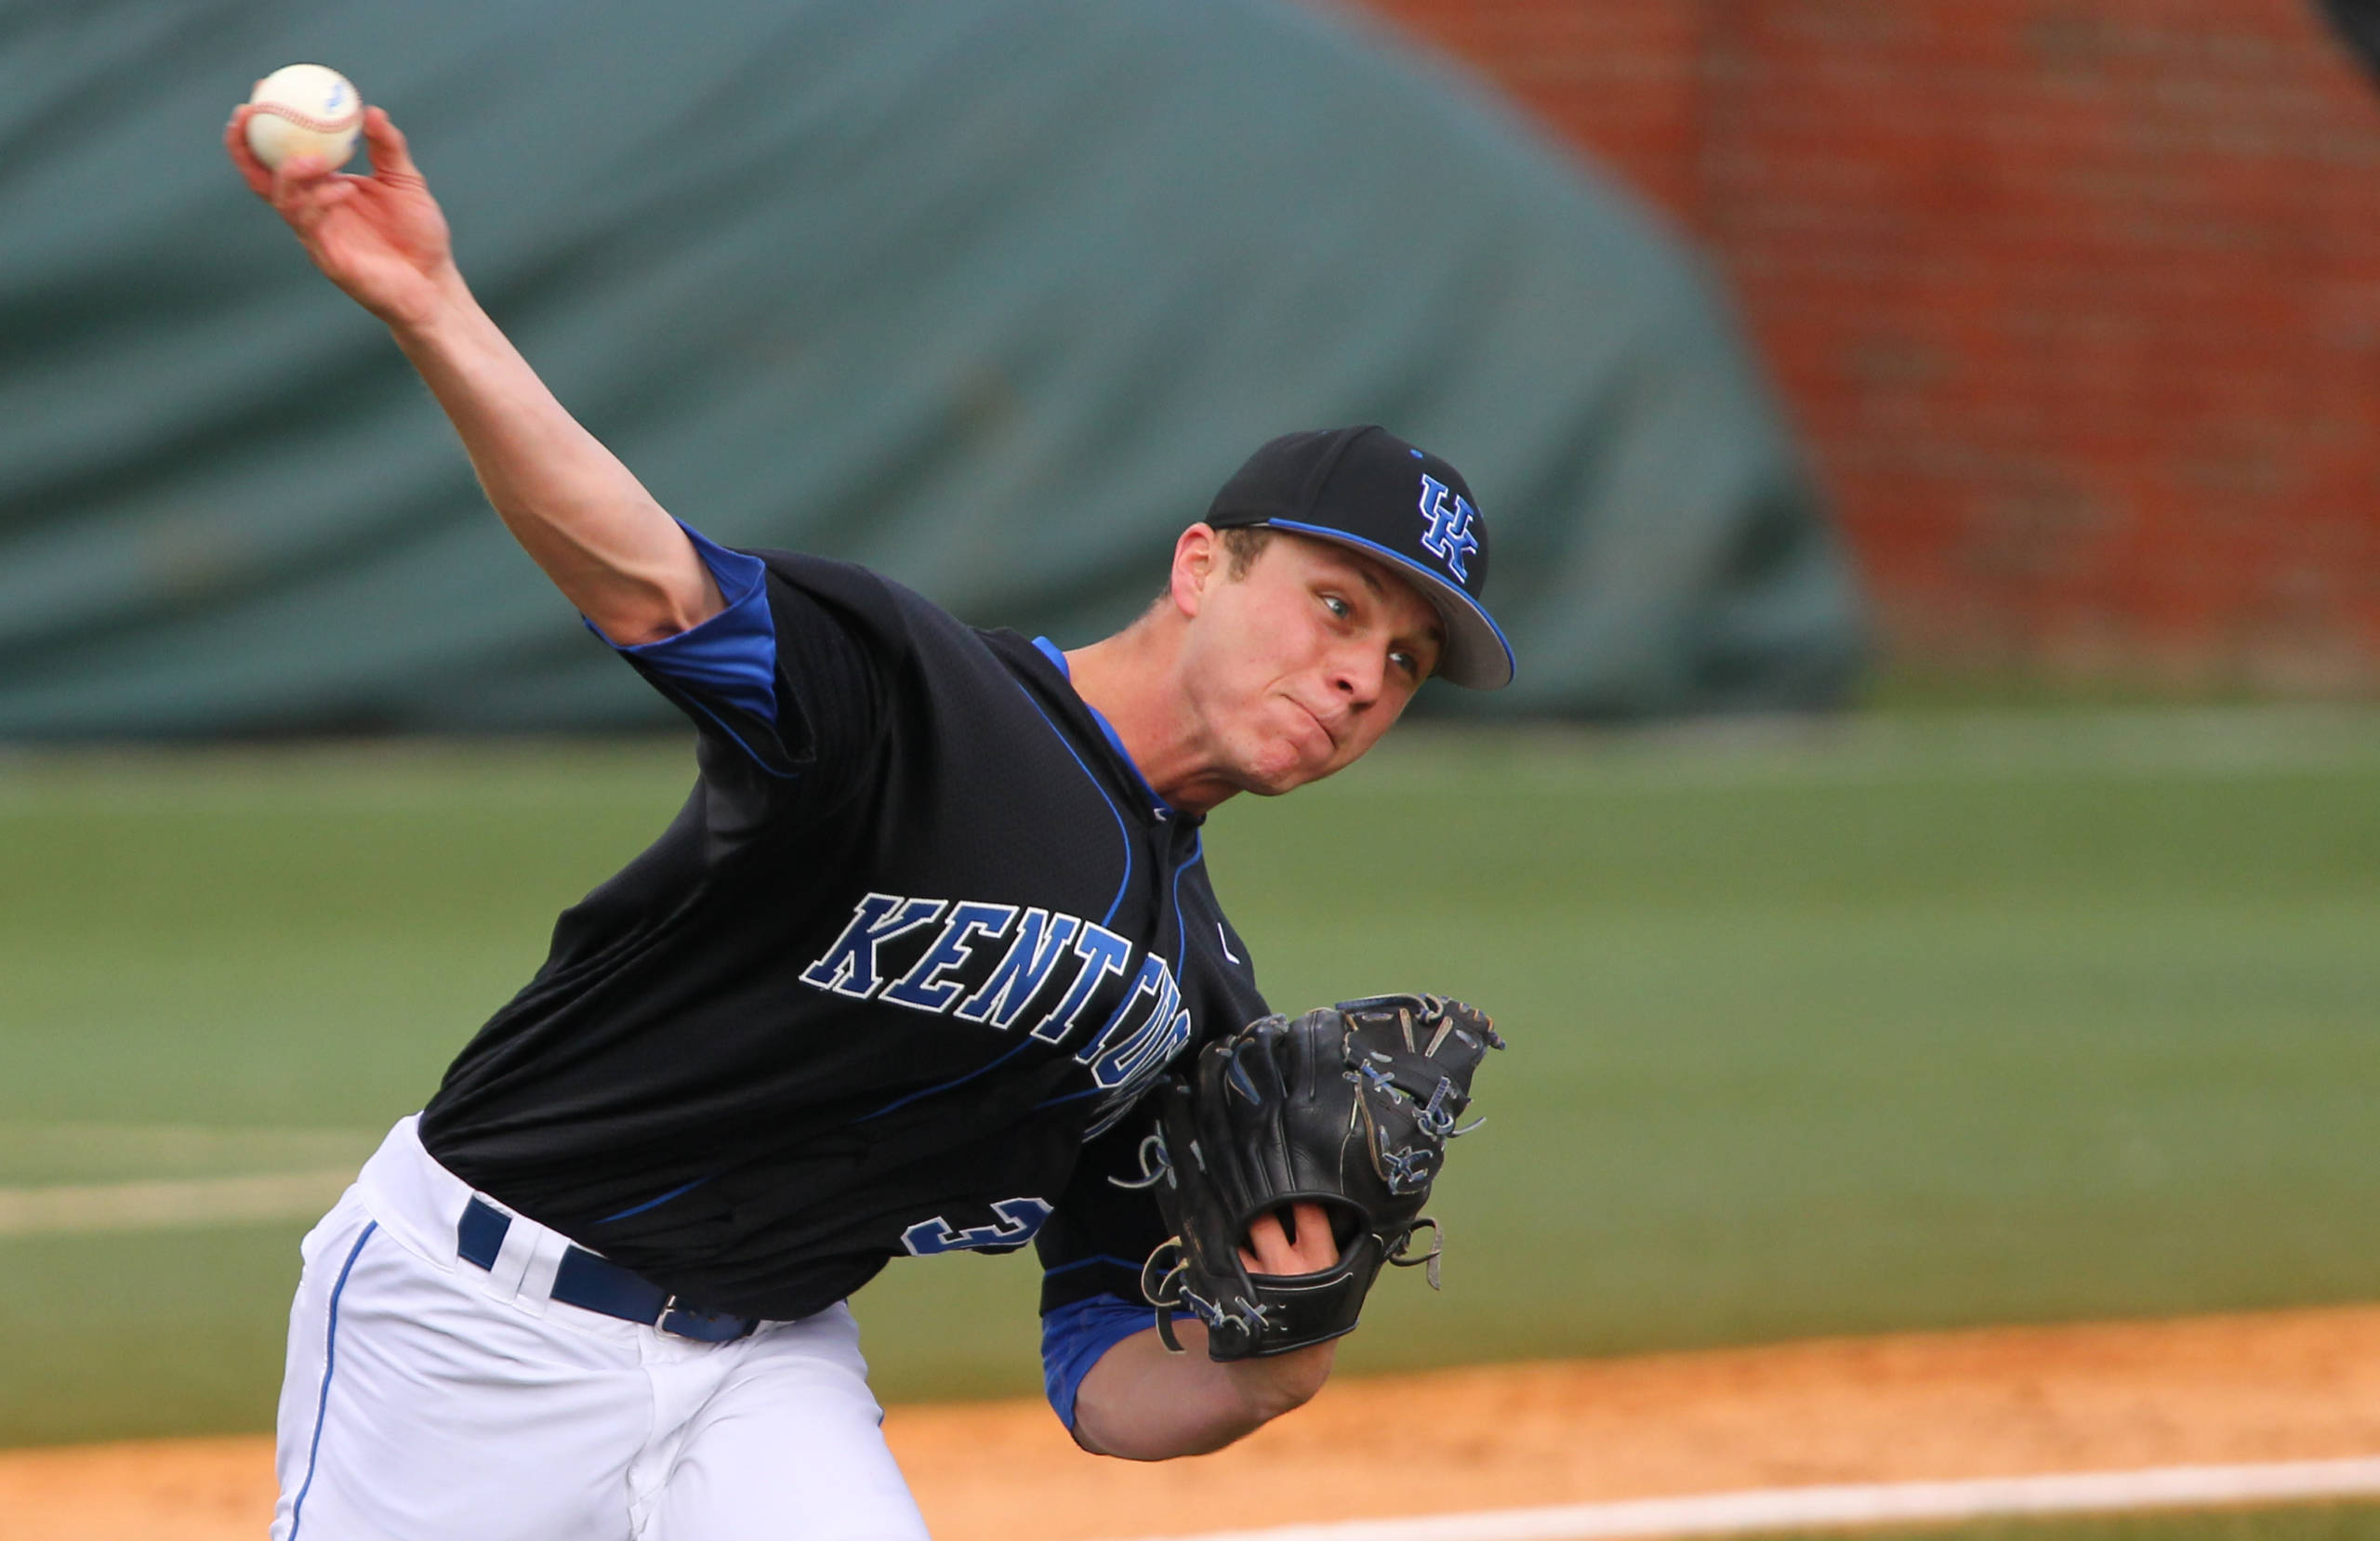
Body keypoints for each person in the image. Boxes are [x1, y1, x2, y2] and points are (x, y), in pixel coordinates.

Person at [227, 102, 1514, 1541]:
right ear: (1203, 567)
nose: (1359, 673)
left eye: (1404, 661)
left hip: (765, 1369)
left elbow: (1101, 1379)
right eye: (1339, 606)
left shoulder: (1197, 1003)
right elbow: (648, 582)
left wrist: (1277, 1355)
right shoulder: (921, 693)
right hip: (474, 1319)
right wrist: (430, 302)